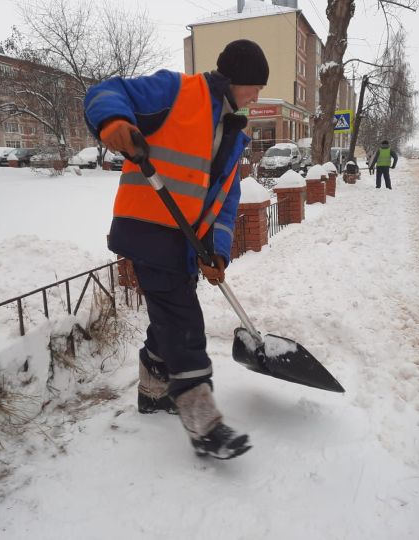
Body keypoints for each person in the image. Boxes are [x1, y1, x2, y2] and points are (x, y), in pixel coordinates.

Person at [83, 40, 269, 459]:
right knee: (184, 323)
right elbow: (105, 91)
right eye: (254, 86)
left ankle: (153, 388)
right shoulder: (176, 91)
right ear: (235, 79)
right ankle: (204, 424)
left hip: (187, 242)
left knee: (168, 318)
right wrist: (113, 121)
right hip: (150, 230)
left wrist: (217, 252)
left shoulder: (234, 131)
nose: (256, 96)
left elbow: (227, 200)